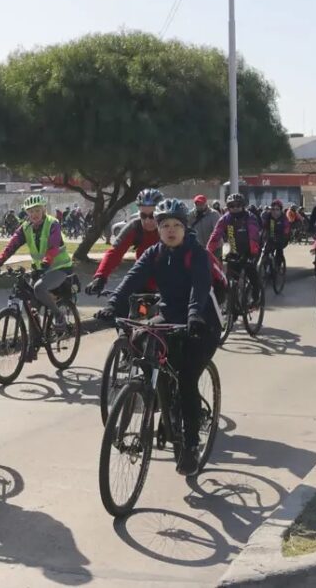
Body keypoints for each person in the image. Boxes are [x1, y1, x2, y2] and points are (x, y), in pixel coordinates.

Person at [94, 199, 220, 476]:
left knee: (186, 378)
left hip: (202, 322)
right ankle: (158, 400)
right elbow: (131, 280)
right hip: (169, 316)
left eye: (176, 225)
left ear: (185, 228)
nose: (171, 230)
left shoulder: (195, 253)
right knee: (142, 339)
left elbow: (200, 288)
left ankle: (189, 444)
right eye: (165, 226)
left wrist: (195, 317)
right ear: (158, 229)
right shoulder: (154, 253)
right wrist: (112, 306)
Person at [0, 194, 74, 336]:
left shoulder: (53, 224)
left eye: (37, 210)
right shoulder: (26, 228)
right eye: (31, 211)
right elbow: (11, 246)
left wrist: (46, 262)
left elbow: (53, 247)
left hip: (60, 268)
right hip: (41, 269)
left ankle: (58, 314)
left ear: (43, 210)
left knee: (39, 288)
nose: (34, 214)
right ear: (27, 213)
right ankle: (32, 346)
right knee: (31, 305)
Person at [85, 188, 164, 295]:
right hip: (142, 281)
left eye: (152, 216)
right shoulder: (135, 227)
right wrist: (100, 277)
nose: (147, 221)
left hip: (169, 283)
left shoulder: (172, 227)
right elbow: (115, 252)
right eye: (143, 216)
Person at [206, 193, 262, 304]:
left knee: (252, 275)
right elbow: (216, 235)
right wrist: (207, 252)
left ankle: (256, 299)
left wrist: (253, 254)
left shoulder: (250, 217)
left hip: (250, 250)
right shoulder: (225, 219)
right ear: (228, 207)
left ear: (243, 206)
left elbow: (254, 235)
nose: (235, 208)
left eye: (238, 205)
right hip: (233, 251)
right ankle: (233, 307)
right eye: (232, 206)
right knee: (229, 280)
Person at [260, 199, 291, 272]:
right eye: (273, 209)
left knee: (279, 252)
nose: (274, 211)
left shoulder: (284, 218)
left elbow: (287, 228)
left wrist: (284, 236)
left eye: (277, 209)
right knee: (266, 252)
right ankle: (266, 266)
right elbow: (263, 226)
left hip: (281, 238)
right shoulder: (268, 216)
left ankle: (278, 266)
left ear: (280, 210)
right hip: (270, 237)